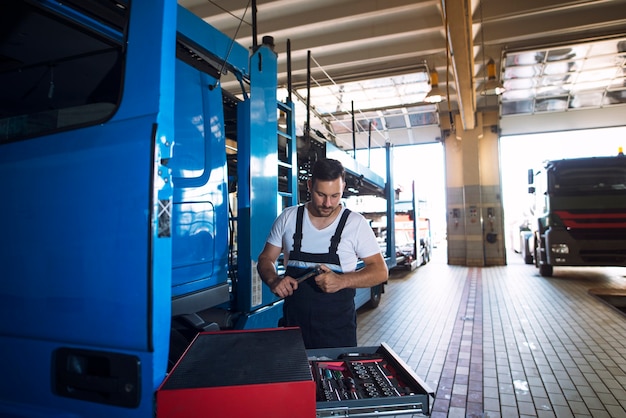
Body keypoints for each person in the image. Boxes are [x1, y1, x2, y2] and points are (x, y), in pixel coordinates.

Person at [257, 158, 389, 349]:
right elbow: (266, 259)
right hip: (293, 333)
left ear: (343, 187)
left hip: (337, 336)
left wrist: (342, 281)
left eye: (335, 195)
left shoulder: (355, 224)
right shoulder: (289, 218)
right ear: (310, 186)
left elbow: (380, 271)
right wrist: (273, 280)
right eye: (321, 195)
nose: (328, 203)